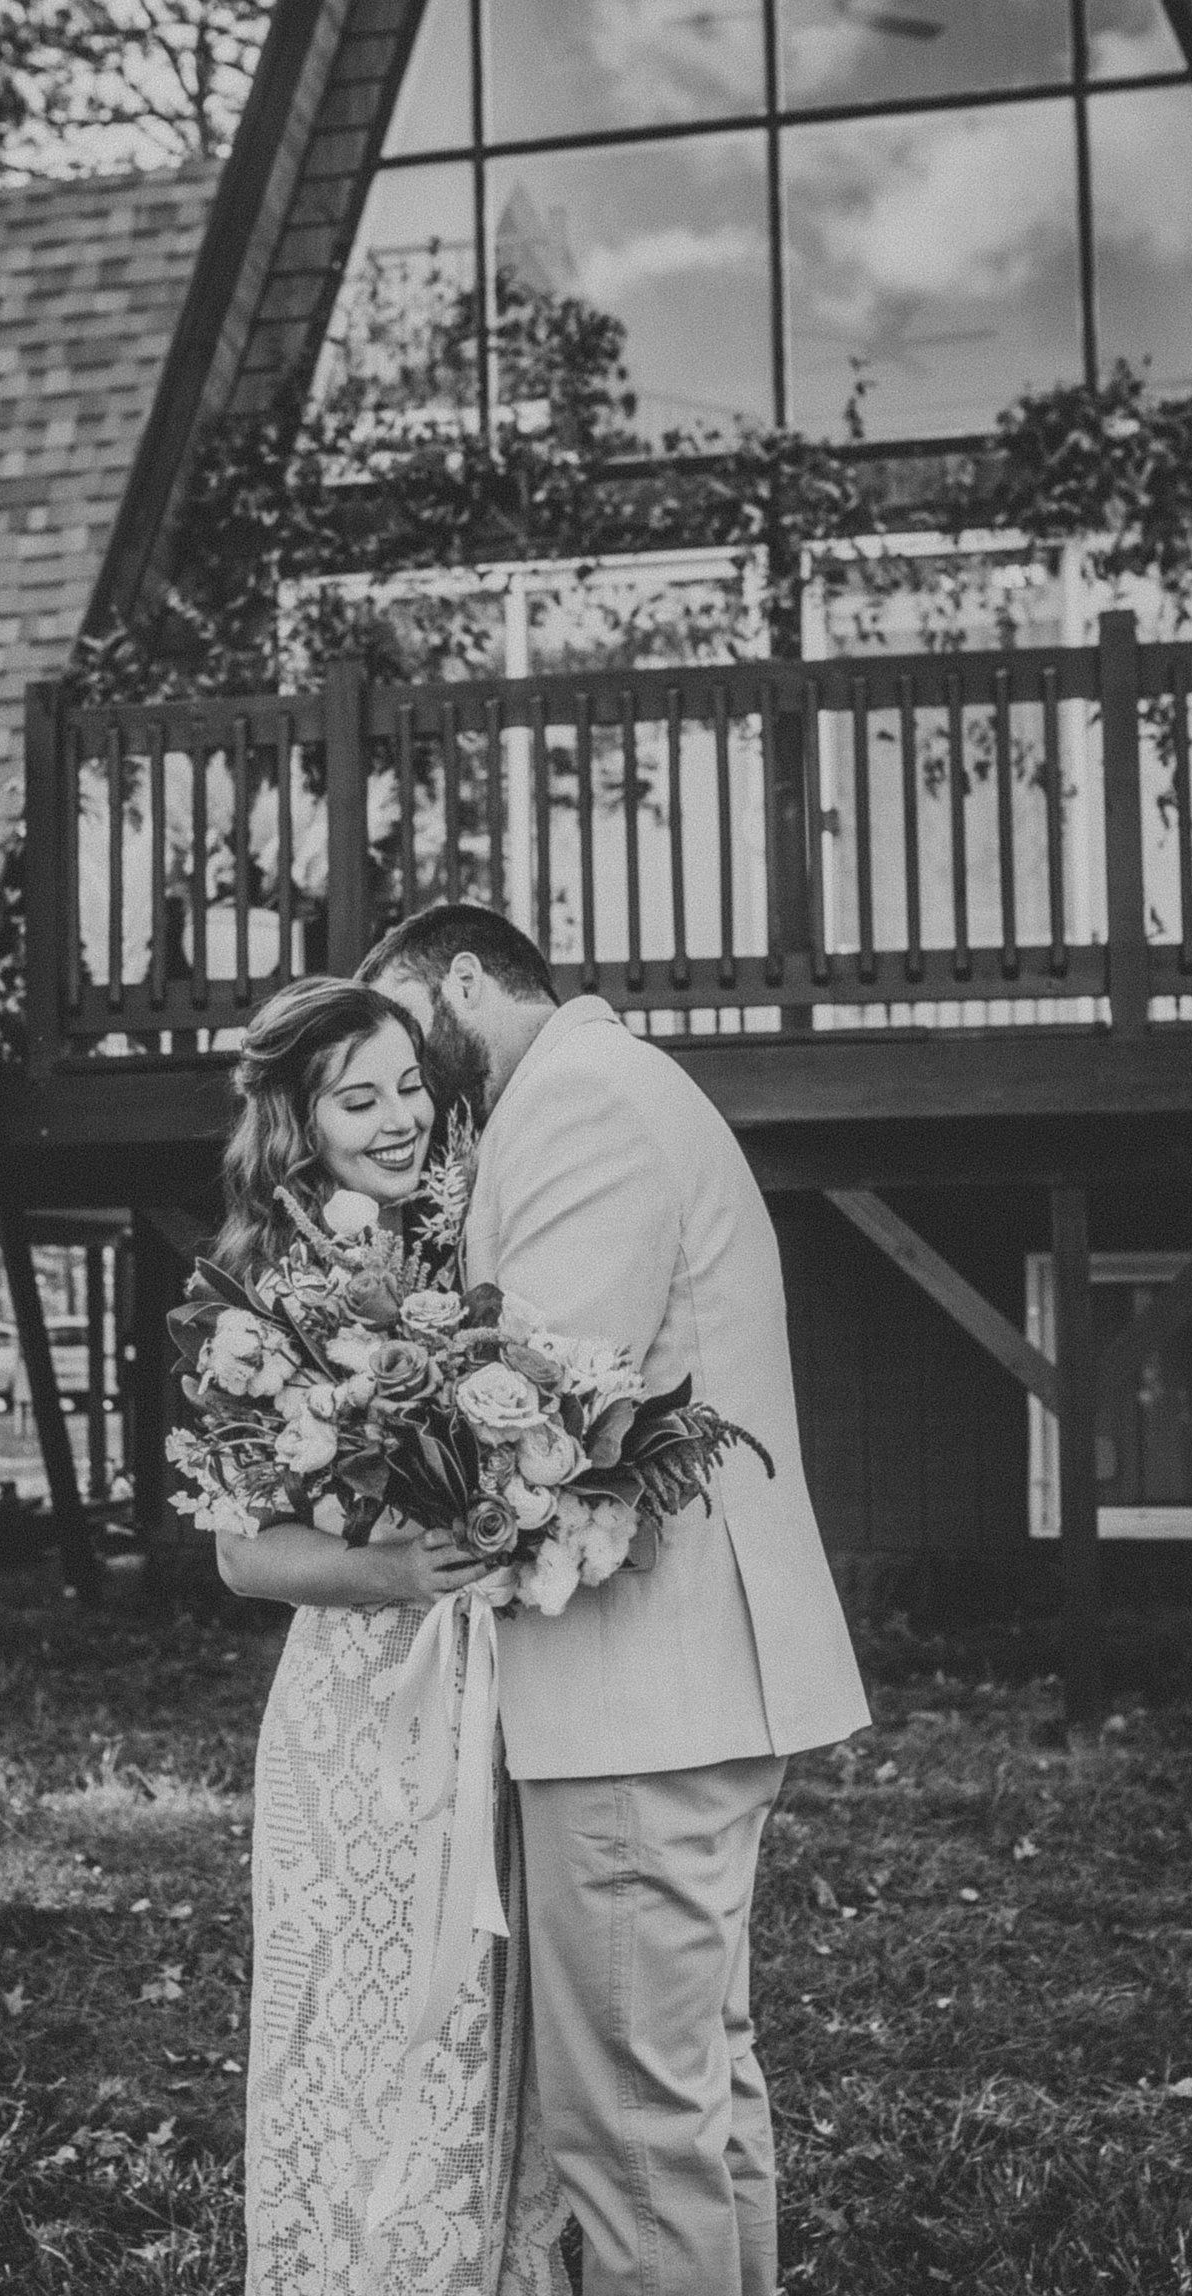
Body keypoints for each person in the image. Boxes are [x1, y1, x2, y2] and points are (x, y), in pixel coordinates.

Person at [361, 903, 871, 2296]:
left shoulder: (580, 1103)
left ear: (463, 978)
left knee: (633, 2136)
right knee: (693, 2094)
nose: (402, 1065)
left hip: (642, 1697)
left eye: (405, 1020)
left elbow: (536, 1418)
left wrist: (360, 1435)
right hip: (672, 1691)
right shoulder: (606, 1089)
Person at [200, 976, 568, 2296]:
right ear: (301, 1120)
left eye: (411, 1084)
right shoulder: (264, 1302)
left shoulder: (465, 1244)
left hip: (492, 1686)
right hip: (358, 1718)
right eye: (361, 1098)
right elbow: (244, 1552)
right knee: (364, 2024)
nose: (401, 1116)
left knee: (490, 1999)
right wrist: (394, 1565)